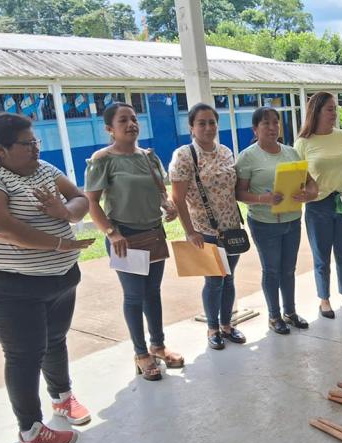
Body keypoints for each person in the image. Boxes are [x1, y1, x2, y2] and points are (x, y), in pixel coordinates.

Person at [0, 112, 94, 443]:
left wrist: (65, 213)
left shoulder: (45, 169)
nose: (35, 148)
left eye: (36, 142)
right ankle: (31, 431)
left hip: (60, 279)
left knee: (55, 340)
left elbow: (81, 199)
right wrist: (60, 243)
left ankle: (62, 397)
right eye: (27, 143)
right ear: (1, 149)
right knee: (24, 353)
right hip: (8, 286)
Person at [85, 103, 183, 378]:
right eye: (122, 121)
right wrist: (111, 232)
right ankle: (141, 354)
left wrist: (168, 206)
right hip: (124, 237)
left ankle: (158, 347)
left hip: (152, 233)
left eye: (133, 118)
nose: (131, 124)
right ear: (109, 129)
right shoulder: (102, 160)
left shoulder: (149, 157)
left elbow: (160, 190)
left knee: (153, 293)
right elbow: (92, 202)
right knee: (134, 296)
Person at [170, 103, 247, 349]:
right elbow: (178, 198)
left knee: (229, 278)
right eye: (201, 123)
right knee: (214, 281)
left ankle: (227, 325)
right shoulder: (185, 155)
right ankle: (212, 328)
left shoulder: (225, 151)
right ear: (191, 127)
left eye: (211, 122)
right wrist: (190, 231)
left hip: (231, 227)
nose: (207, 127)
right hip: (206, 231)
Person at [234, 106, 317, 334]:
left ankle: (290, 312)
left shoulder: (292, 153)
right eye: (266, 123)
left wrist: (308, 194)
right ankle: (274, 316)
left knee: (288, 269)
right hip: (264, 223)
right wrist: (263, 198)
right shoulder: (247, 156)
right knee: (271, 270)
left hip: (292, 219)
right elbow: (239, 194)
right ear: (255, 128)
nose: (272, 127)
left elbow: (311, 184)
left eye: (275, 122)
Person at [295, 91, 342, 319]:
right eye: (330, 109)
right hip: (318, 206)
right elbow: (298, 177)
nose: (334, 113)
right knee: (321, 255)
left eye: (335, 108)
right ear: (316, 112)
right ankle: (324, 299)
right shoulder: (303, 143)